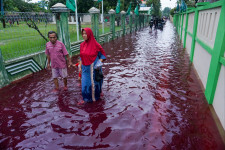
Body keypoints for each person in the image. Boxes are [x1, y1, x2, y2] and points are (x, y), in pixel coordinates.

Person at [78, 28, 106, 104]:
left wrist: (98, 63)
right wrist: (80, 66)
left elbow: (103, 55)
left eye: (85, 34)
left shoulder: (96, 45)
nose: (84, 35)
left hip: (93, 68)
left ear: (90, 34)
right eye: (83, 34)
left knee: (93, 84)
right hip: (85, 69)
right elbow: (81, 56)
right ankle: (86, 99)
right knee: (85, 84)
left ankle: (95, 99)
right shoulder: (82, 45)